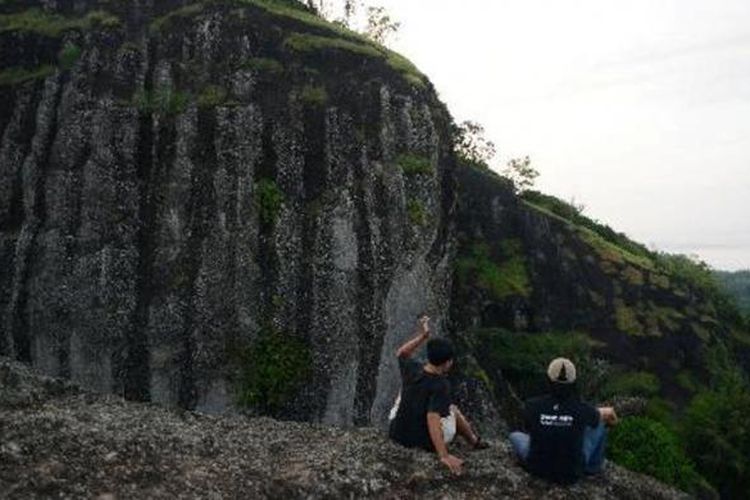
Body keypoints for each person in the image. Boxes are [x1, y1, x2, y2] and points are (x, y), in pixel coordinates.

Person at [388, 315, 487, 475]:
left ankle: (473, 440)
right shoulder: (441, 385)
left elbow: (401, 353)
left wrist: (423, 336)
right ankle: (474, 441)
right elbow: (432, 419)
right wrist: (444, 455)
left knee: (404, 392)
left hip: (397, 433)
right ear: (447, 362)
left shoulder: (413, 368)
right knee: (452, 410)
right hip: (420, 441)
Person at [509, 357, 618, 485]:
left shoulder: (532, 405)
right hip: (571, 473)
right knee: (599, 423)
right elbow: (607, 415)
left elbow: (528, 428)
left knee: (515, 435)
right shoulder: (582, 409)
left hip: (537, 468)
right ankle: (592, 468)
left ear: (548, 379)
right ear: (573, 382)